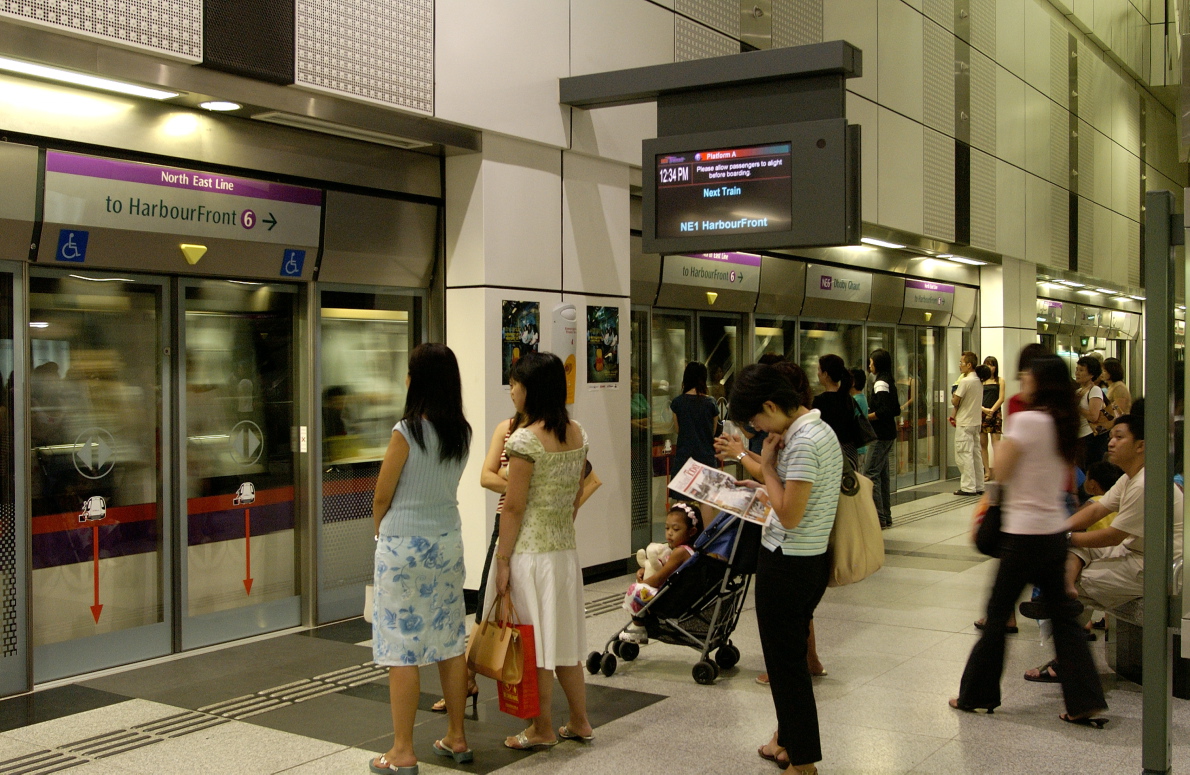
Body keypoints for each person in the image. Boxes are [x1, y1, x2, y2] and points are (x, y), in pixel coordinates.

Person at [952, 355, 1107, 727]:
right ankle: (1085, 699)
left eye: (1028, 373)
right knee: (1066, 623)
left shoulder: (1027, 421)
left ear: (1040, 380)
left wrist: (991, 499)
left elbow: (1000, 472)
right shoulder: (1063, 424)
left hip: (1022, 535)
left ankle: (977, 694)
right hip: (1053, 533)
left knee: (995, 618)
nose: (1023, 377)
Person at [730, 361, 842, 775]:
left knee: (787, 667)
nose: (756, 427)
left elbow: (790, 514)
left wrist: (768, 467)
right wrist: (764, 485)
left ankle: (804, 763)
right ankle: (790, 746)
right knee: (787, 660)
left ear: (771, 404)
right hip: (806, 559)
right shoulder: (818, 429)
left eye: (754, 417)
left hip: (789, 561)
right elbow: (799, 499)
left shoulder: (805, 440)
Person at [370, 343, 474, 773]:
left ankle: (402, 751)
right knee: (450, 642)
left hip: (403, 547)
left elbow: (382, 493)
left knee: (402, 649)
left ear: (417, 380)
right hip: (447, 544)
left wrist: (379, 527)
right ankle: (457, 736)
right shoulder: (461, 433)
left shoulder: (406, 432)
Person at [491, 351, 594, 750]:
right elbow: (576, 494)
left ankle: (542, 728)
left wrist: (503, 561)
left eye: (515, 383)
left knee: (533, 642)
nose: (512, 390)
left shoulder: (523, 439)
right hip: (564, 554)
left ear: (531, 388)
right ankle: (580, 720)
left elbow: (513, 507)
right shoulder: (578, 433)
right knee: (565, 640)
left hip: (530, 556)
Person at [620, 502, 702, 642]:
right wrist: (645, 570)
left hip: (673, 600)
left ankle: (638, 627)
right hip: (680, 595)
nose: (669, 533)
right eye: (667, 528)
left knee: (636, 590)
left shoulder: (680, 552)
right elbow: (663, 569)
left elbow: (659, 578)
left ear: (692, 531)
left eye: (676, 529)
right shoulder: (690, 550)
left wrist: (643, 582)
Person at [864, 349, 900, 529]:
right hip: (889, 433)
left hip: (880, 434)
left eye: (871, 362)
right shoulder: (889, 381)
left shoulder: (880, 384)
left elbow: (884, 410)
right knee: (883, 475)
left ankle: (879, 518)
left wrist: (866, 416)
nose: (869, 365)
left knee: (870, 473)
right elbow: (896, 409)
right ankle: (886, 514)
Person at [669, 362, 719, 481]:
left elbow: (678, 430)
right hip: (706, 458)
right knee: (706, 496)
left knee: (683, 498)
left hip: (684, 458)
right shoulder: (711, 403)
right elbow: (713, 431)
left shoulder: (677, 403)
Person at [812, 354, 862, 468]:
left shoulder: (820, 401)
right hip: (850, 454)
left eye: (819, 370)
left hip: (830, 455)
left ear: (825, 374)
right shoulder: (848, 398)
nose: (818, 373)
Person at [950, 351, 983, 496]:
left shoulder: (965, 381)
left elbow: (955, 400)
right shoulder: (978, 380)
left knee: (964, 454)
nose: (959, 366)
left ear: (969, 365)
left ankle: (968, 487)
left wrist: (953, 397)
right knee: (976, 454)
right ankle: (979, 485)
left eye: (961, 363)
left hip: (964, 423)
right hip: (976, 422)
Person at [1075, 356, 1107, 468]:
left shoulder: (1095, 390)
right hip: (1081, 437)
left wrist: (1076, 407)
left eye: (1081, 370)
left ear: (1091, 374)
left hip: (1091, 438)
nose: (1077, 373)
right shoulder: (1078, 391)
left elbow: (1094, 416)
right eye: (1077, 369)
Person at [979, 356, 1006, 481]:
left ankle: (999, 471)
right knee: (983, 444)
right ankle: (987, 471)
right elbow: (976, 398)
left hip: (995, 413)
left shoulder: (1000, 380)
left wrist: (992, 411)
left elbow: (1001, 398)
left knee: (996, 444)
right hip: (982, 412)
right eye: (987, 365)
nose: (990, 367)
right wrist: (984, 409)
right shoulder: (981, 381)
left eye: (992, 365)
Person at [1099, 357, 1131, 424]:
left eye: (1104, 371)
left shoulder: (1119, 387)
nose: (1101, 373)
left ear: (1112, 372)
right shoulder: (1111, 386)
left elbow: (1120, 410)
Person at [849, 367, 870, 467]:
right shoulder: (862, 398)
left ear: (852, 382)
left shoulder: (855, 400)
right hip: (861, 447)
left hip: (856, 448)